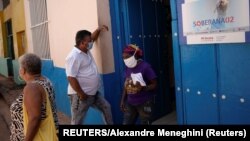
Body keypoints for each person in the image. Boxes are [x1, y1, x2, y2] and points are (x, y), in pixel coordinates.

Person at [65, 25, 113, 125]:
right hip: (81, 95)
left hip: (93, 93)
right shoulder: (73, 56)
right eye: (89, 41)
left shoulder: (85, 50)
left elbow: (93, 37)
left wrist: (99, 29)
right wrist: (81, 94)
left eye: (91, 40)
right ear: (82, 43)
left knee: (106, 107)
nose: (91, 42)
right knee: (77, 120)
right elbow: (71, 77)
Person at [10, 53, 58, 141]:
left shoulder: (32, 88)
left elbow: (35, 118)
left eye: (20, 67)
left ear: (23, 70)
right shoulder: (45, 80)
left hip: (35, 137)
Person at [120, 44, 157, 125]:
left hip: (144, 102)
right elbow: (126, 85)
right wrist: (123, 100)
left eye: (127, 57)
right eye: (123, 58)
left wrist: (143, 88)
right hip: (130, 102)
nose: (125, 60)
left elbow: (154, 84)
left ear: (135, 56)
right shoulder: (128, 67)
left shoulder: (145, 67)